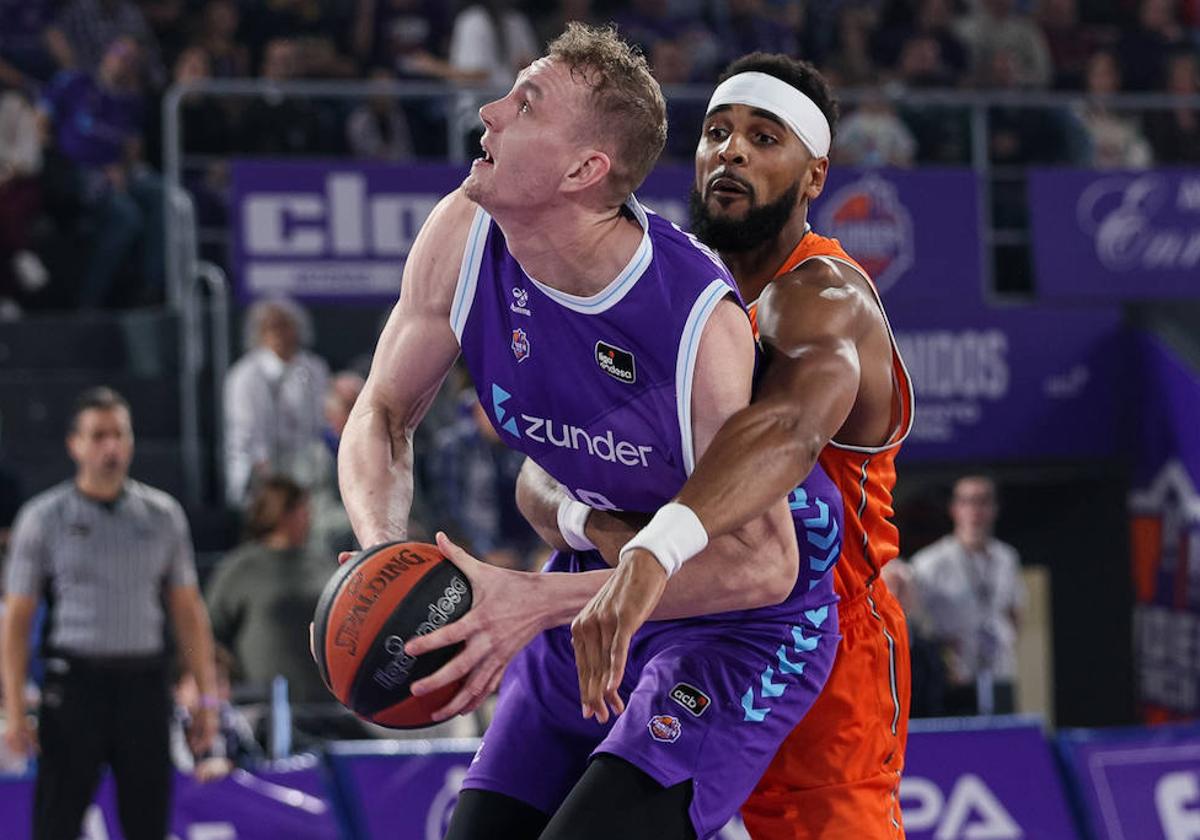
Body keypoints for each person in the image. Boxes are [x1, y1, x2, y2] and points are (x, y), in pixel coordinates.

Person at [337, 24, 841, 840]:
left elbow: (765, 564)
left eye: (524, 104)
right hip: (595, 578)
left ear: (584, 170)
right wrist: (381, 553)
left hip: (743, 618)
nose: (489, 112)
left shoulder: (688, 317)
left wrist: (529, 599)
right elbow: (384, 414)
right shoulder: (462, 233)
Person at [507, 52, 915, 838]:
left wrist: (652, 550)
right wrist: (605, 533)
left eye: (765, 139)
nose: (731, 151)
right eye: (718, 132)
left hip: (825, 630)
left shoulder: (823, 298)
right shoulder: (672, 290)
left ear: (814, 175)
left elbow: (784, 432)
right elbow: (552, 461)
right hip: (686, 616)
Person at [0, 386, 218, 840]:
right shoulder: (43, 518)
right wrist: (16, 708)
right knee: (55, 822)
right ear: (74, 444)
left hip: (143, 684)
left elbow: (188, 611)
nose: (111, 446)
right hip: (75, 685)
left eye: (119, 434)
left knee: (147, 821)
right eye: (98, 435)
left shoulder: (162, 515)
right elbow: (17, 619)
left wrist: (206, 694)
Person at [206, 476, 329, 705]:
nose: (309, 517)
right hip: (266, 707)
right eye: (302, 509)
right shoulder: (241, 567)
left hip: (328, 701)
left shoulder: (321, 563)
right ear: (281, 512)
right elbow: (211, 632)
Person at [911, 475, 1025, 716]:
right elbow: (913, 621)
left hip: (998, 670)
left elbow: (1015, 612)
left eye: (983, 502)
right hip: (954, 676)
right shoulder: (930, 563)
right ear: (954, 509)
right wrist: (939, 652)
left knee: (1004, 740)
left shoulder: (1006, 558)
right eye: (967, 502)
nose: (975, 510)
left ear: (994, 509)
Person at [223, 297, 330, 506]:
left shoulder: (315, 369)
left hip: (306, 467)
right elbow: (243, 429)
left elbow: (320, 421)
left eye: (285, 325)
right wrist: (261, 467)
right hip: (263, 468)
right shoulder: (244, 374)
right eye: (271, 327)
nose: (279, 333)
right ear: (259, 332)